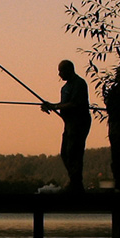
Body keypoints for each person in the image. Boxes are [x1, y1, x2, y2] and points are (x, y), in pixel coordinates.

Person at [42, 60, 92, 193]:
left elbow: (74, 104)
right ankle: (74, 181)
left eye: (61, 71)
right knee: (65, 153)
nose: (59, 74)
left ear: (69, 69)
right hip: (69, 123)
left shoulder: (79, 84)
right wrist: (50, 106)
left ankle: (76, 184)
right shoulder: (64, 88)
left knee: (74, 152)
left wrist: (54, 106)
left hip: (80, 123)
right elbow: (63, 104)